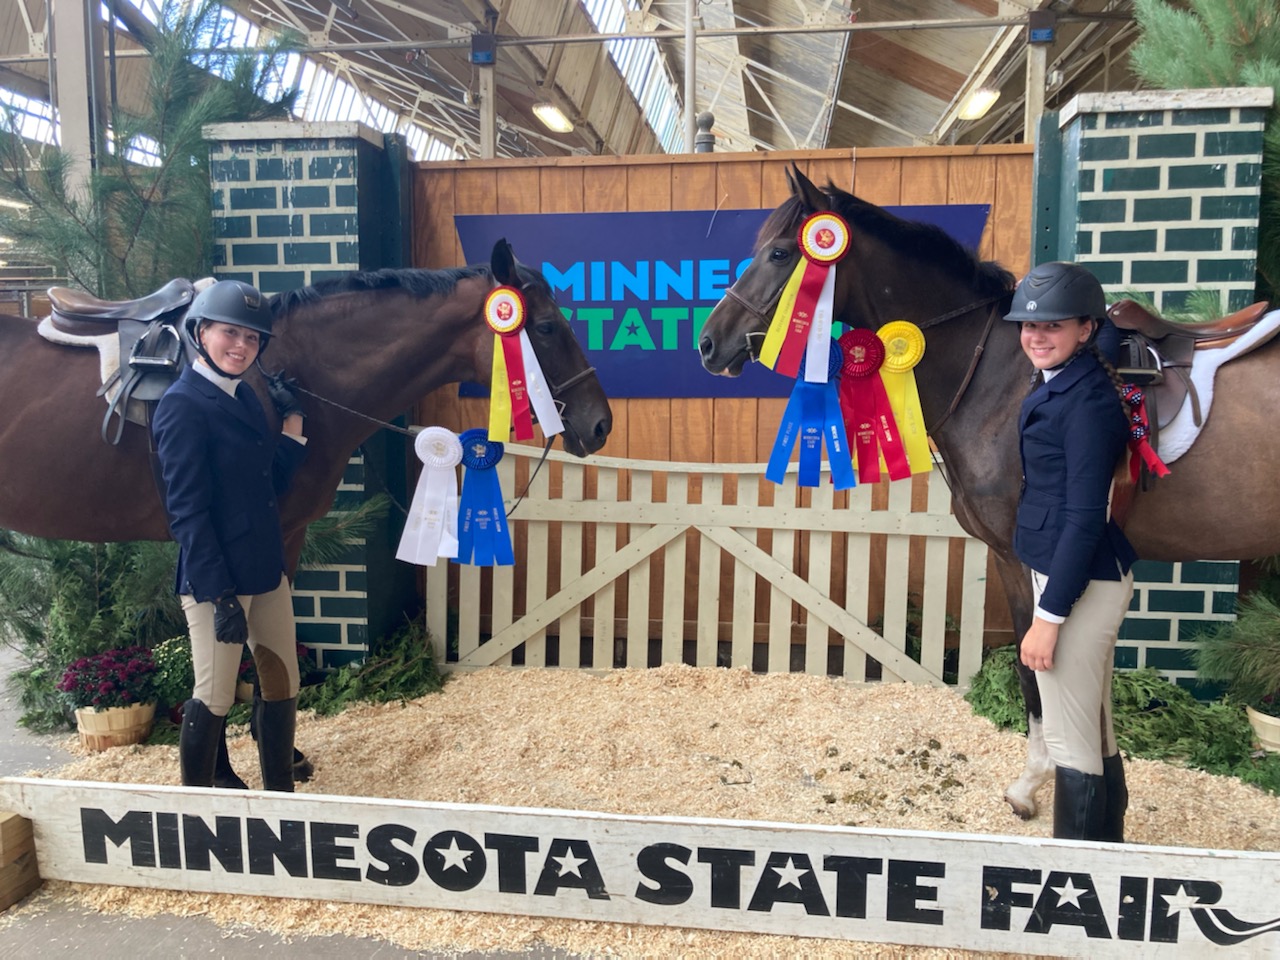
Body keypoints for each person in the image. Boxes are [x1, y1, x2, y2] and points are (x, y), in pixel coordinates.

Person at [152, 279, 308, 792]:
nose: (241, 346)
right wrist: (219, 595)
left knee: (284, 681)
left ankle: (280, 797)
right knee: (215, 694)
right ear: (201, 332)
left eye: (252, 339)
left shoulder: (243, 397)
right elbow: (187, 514)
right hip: (216, 580)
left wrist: (292, 424)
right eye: (230, 333)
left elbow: (266, 483)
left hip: (265, 568)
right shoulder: (182, 405)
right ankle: (200, 811)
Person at [1004, 261, 1138, 842]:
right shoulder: (1066, 377)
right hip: (1066, 570)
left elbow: (1085, 518)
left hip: (1078, 581)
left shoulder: (1087, 402)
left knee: (1070, 738)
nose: (1036, 336)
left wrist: (1047, 619)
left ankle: (1078, 884)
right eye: (1027, 326)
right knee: (1093, 729)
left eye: (1052, 326)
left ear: (1084, 329)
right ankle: (1106, 857)